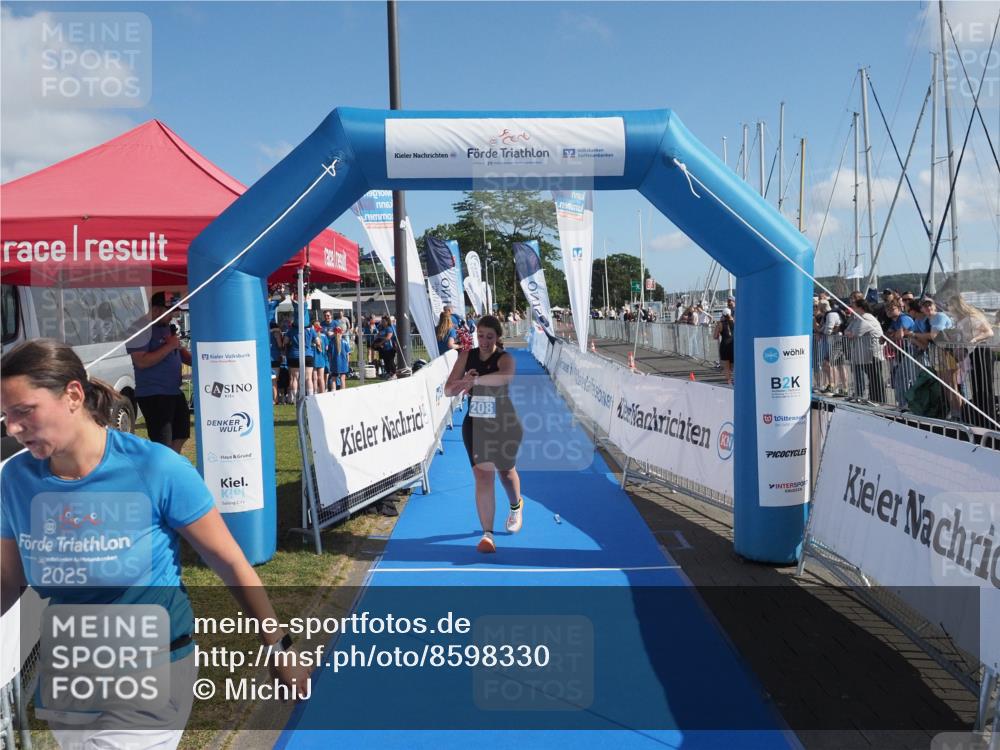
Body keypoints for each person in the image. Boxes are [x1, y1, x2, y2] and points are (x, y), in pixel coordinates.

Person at [0, 340, 309, 749]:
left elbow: (231, 563)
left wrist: (278, 646)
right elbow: (8, 581)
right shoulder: (16, 479)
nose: (11, 428)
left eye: (24, 411)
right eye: (5, 416)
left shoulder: (156, 468)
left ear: (73, 395)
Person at [444, 315, 523, 553]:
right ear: (475, 335)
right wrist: (464, 382)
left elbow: (505, 377)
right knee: (482, 476)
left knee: (506, 472)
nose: (485, 341)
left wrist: (475, 380)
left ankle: (516, 505)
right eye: (481, 336)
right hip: (476, 422)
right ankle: (487, 534)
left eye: (490, 337)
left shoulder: (505, 358)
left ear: (498, 337)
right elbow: (449, 389)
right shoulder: (467, 356)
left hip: (503, 421)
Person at [126, 292, 192, 453]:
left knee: (182, 433)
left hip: (174, 391)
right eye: (170, 311)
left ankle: (172, 466)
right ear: (156, 310)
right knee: (163, 442)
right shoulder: (138, 329)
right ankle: (162, 472)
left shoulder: (166, 328)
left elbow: (178, 352)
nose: (173, 315)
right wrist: (169, 346)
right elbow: (141, 361)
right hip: (154, 394)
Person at [713, 309, 735, 385]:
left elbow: (715, 336)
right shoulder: (735, 322)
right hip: (733, 345)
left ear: (722, 315)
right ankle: (735, 380)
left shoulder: (720, 324)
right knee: (733, 366)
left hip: (725, 345)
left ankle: (729, 382)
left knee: (726, 367)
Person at [330, 323, 352, 390]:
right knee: (343, 379)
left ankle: (333, 393)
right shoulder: (345, 342)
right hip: (343, 363)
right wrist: (347, 363)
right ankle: (343, 394)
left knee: (333, 379)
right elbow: (347, 355)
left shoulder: (331, 342)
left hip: (334, 363)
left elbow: (330, 355)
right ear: (341, 333)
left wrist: (330, 363)